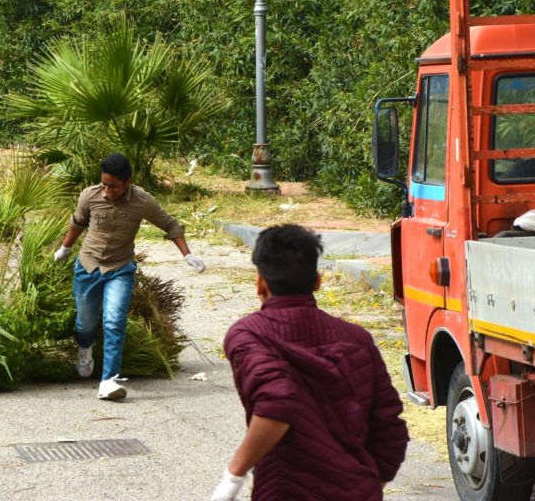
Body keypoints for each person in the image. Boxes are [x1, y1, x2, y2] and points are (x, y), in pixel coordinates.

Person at [211, 224, 408, 501]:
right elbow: (390, 428)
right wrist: (369, 483)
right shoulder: (357, 339)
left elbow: (276, 405)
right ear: (317, 281)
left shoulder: (249, 334)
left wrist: (232, 479)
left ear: (260, 283)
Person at [54, 152, 206, 400]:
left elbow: (170, 225)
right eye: (104, 184)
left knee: (114, 321)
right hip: (88, 266)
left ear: (128, 182)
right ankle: (85, 347)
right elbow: (78, 222)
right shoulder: (89, 196)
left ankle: (109, 381)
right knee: (85, 323)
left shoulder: (142, 201)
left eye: (113, 186)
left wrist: (187, 255)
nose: (107, 190)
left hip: (120, 268)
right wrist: (65, 248)